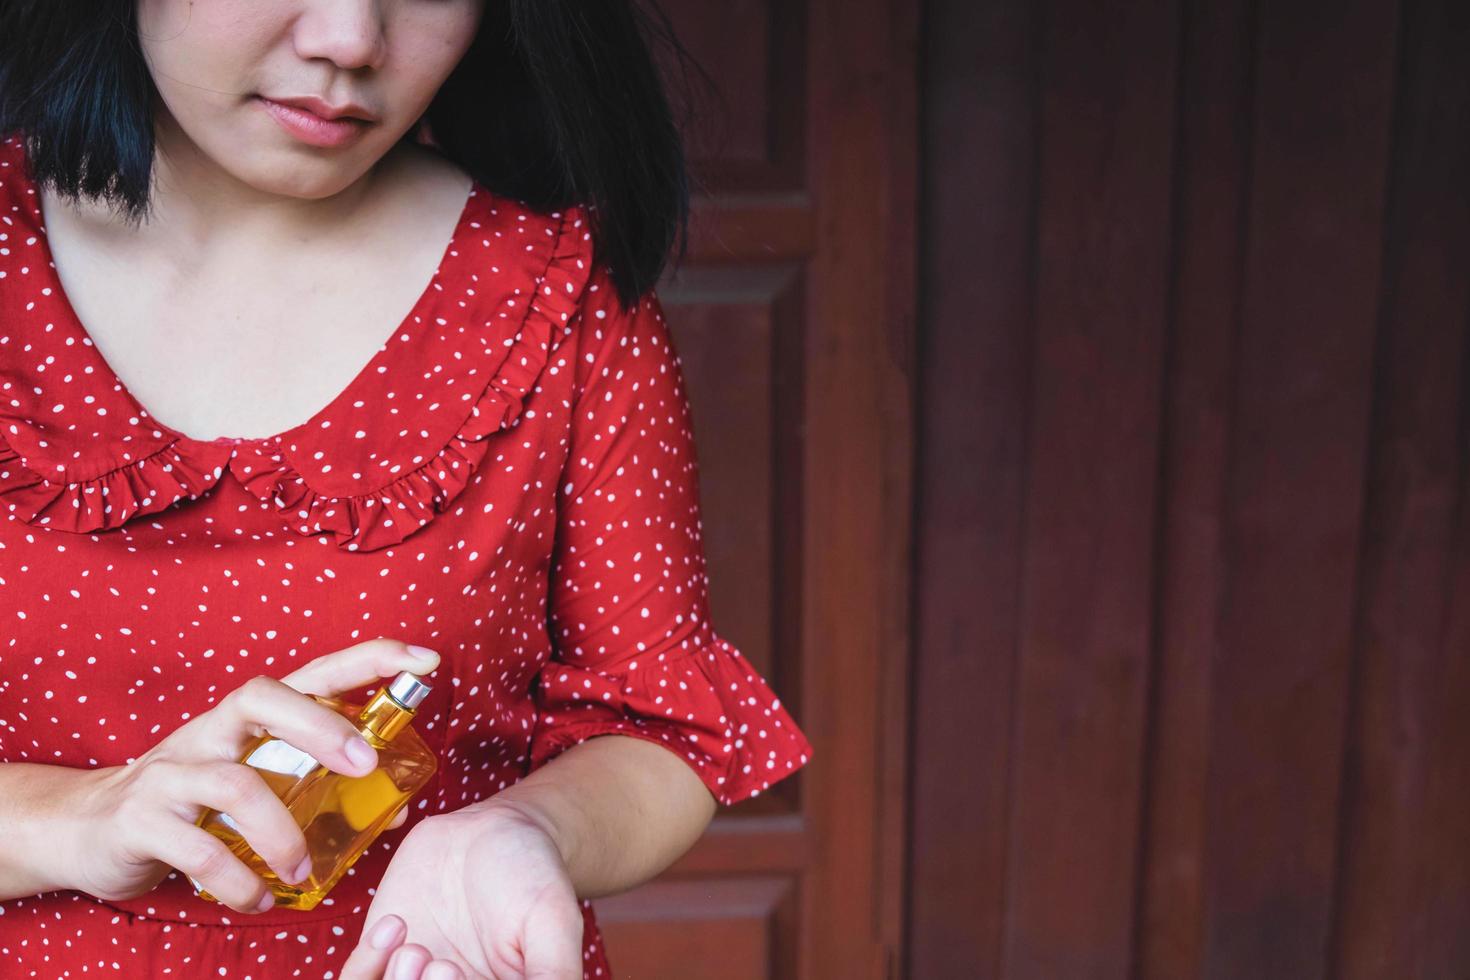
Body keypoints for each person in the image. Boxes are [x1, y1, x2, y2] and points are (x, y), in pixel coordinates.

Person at [0, 1, 812, 977]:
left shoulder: (559, 290)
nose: (348, 39)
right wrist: (72, 814)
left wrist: (521, 829)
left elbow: (659, 730)